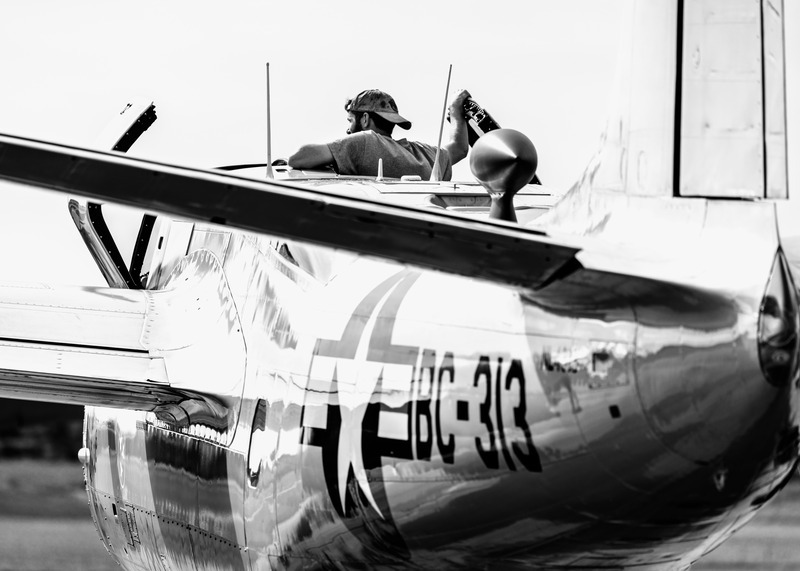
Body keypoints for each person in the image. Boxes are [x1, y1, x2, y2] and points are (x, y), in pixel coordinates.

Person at [288, 89, 470, 180]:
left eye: (350, 121)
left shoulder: (364, 142)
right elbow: (459, 148)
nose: (348, 130)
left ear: (365, 119)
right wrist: (456, 112)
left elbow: (298, 158)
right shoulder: (424, 153)